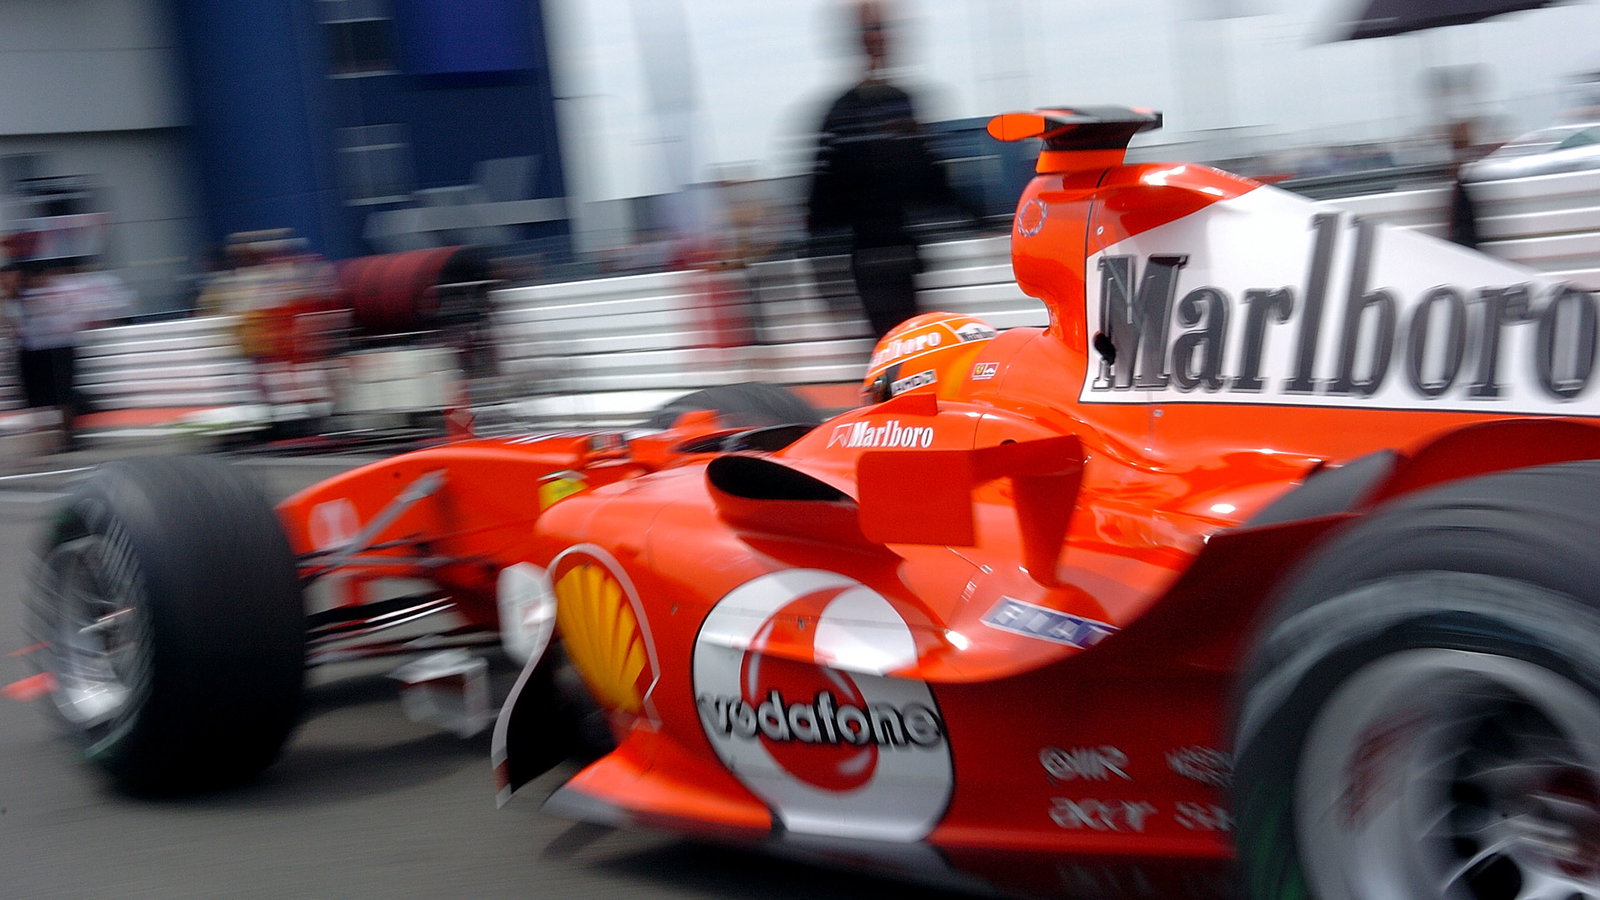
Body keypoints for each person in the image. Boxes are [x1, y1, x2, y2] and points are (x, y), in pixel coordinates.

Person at [805, 0, 980, 339]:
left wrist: (979, 216)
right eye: (872, 30)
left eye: (884, 30)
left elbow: (931, 179)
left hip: (906, 258)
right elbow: (820, 201)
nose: (881, 38)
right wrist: (825, 278)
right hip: (871, 263)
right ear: (858, 40)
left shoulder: (902, 102)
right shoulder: (841, 113)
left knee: (916, 354)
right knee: (894, 358)